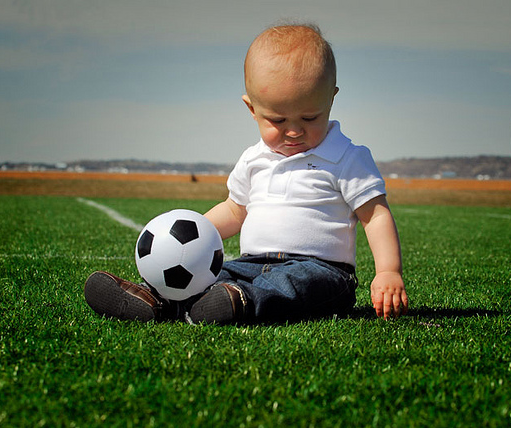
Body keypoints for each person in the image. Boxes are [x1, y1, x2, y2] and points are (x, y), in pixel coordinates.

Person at [84, 23, 408, 324]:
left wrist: (388, 271)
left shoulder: (347, 157)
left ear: (331, 100)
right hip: (250, 262)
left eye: (310, 117)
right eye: (278, 121)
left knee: (296, 283)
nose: (294, 131)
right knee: (216, 274)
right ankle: (155, 299)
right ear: (252, 109)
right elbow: (234, 210)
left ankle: (240, 303)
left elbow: (374, 216)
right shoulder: (254, 159)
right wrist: (193, 236)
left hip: (322, 270)